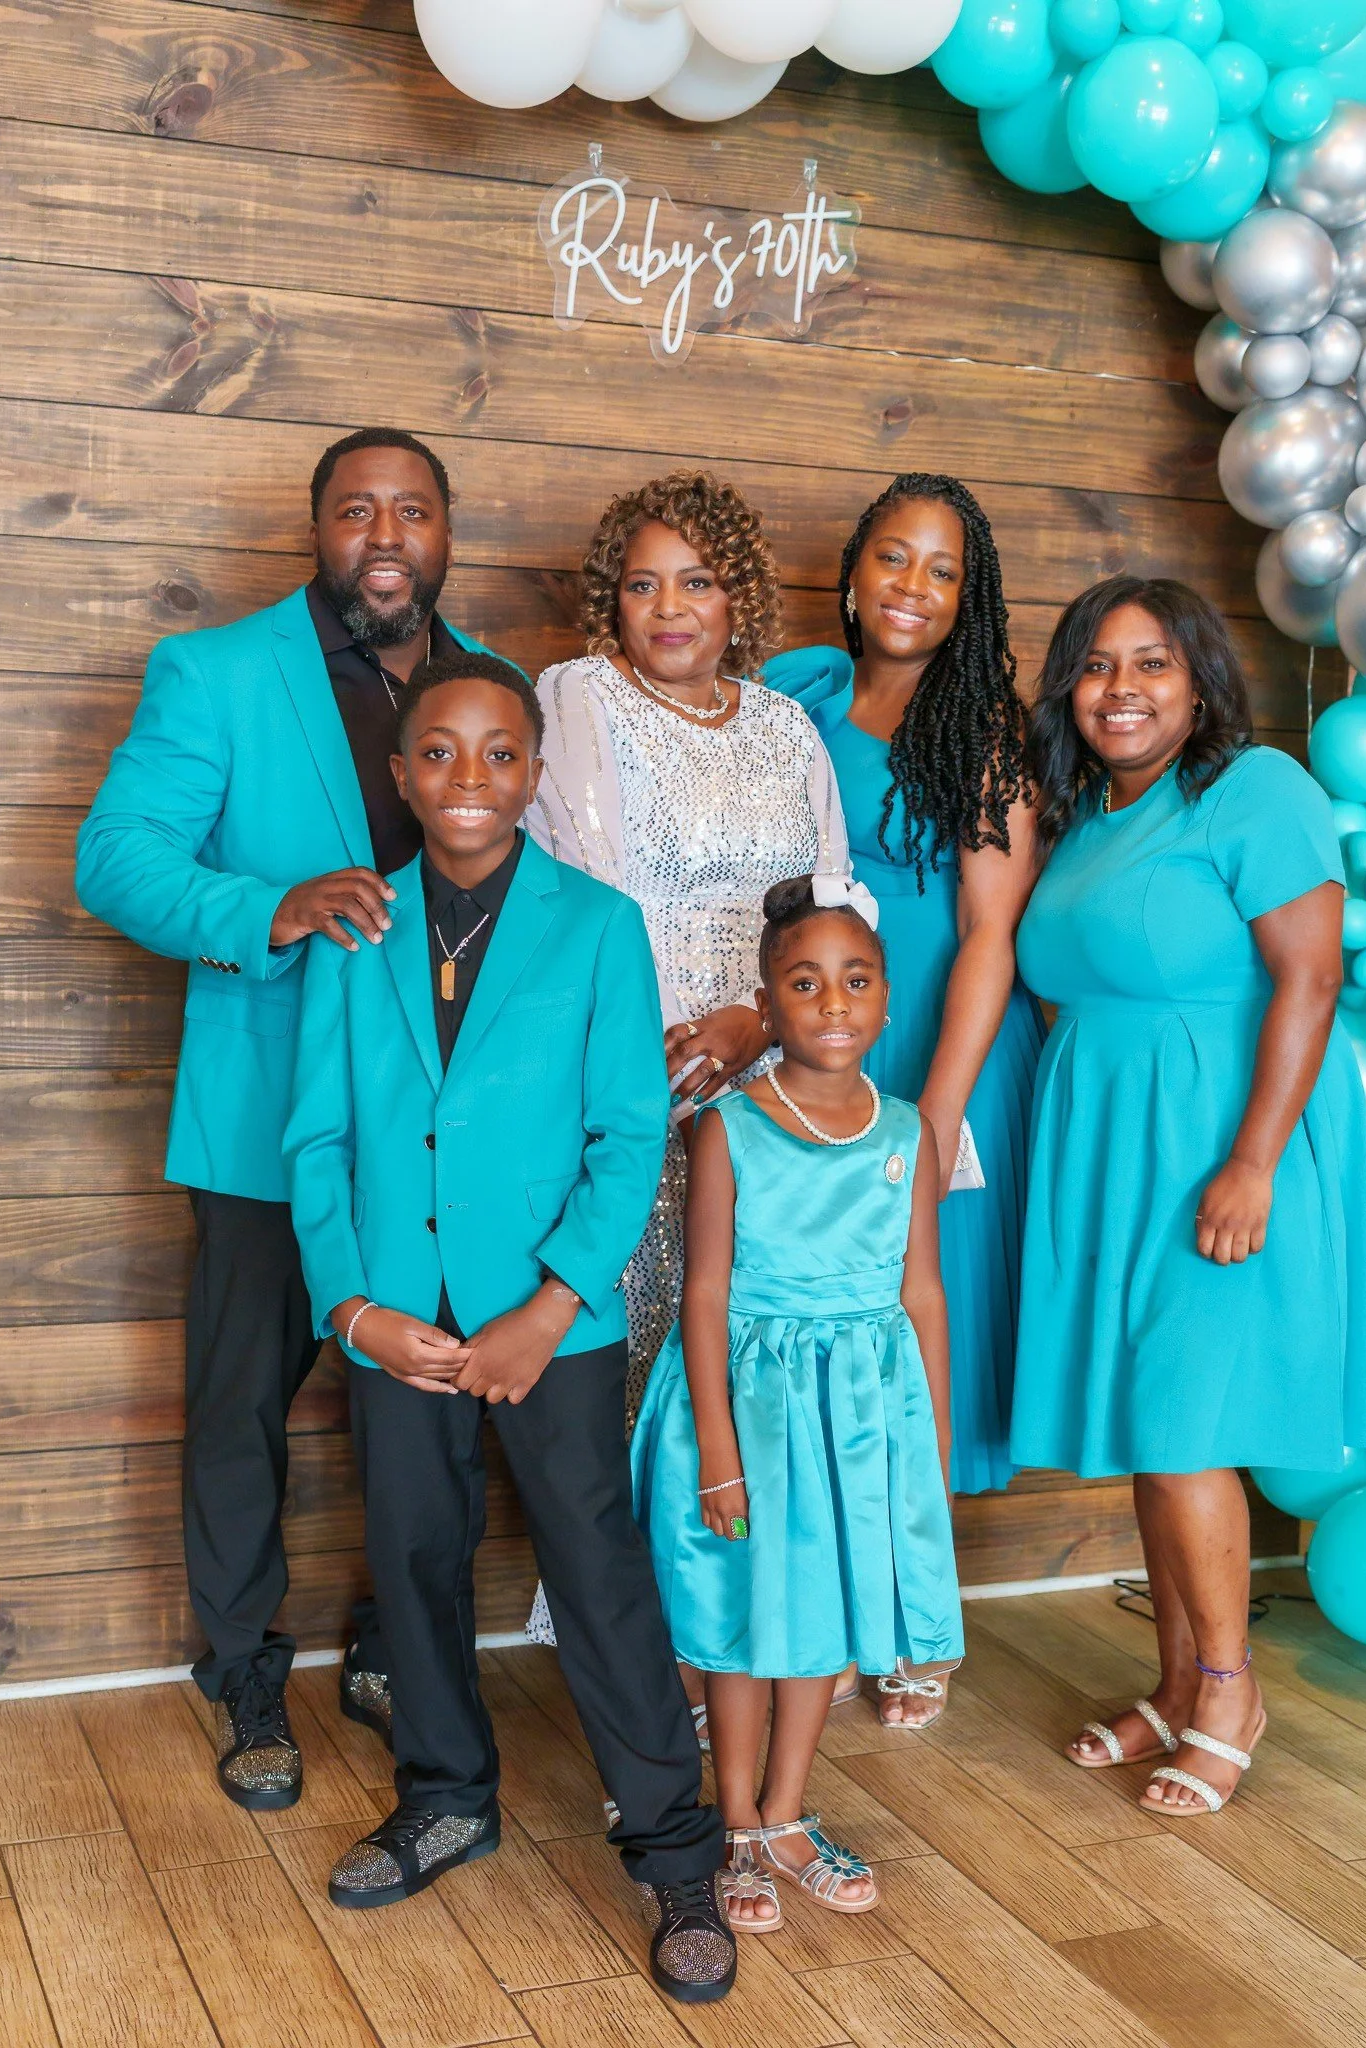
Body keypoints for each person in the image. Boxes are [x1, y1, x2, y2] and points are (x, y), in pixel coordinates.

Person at [284, 648, 733, 2001]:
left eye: (498, 753)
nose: (467, 777)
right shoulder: (358, 933)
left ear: (536, 776)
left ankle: (671, 1852)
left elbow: (626, 1130)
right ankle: (445, 1794)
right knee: (415, 1557)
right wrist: (355, 1312)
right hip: (397, 1324)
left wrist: (551, 1309)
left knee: (597, 1573)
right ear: (400, 772)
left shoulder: (594, 926)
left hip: (550, 1320)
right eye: (438, 752)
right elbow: (315, 1140)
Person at [75, 427, 498, 1807]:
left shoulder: (486, 684)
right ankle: (245, 1678)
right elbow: (116, 859)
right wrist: (267, 907)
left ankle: (391, 1653)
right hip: (264, 1115)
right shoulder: (217, 672)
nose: (386, 533)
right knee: (243, 1406)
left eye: (412, 509)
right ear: (317, 530)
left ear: (445, 533)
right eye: (356, 509)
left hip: (439, 1125)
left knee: (420, 1400)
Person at [1011, 575, 1366, 1816]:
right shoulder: (1087, 817)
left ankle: (1231, 1689)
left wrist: (1251, 1161)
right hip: (1114, 1146)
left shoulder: (1257, 788)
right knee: (1146, 1428)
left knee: (1180, 1429)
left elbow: (1311, 979)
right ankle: (1175, 1681)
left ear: (1201, 680)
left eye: (1153, 663)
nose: (1122, 689)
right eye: (1098, 665)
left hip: (1222, 1144)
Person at [524, 470, 848, 1657]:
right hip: (627, 1078)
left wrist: (754, 1021)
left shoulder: (784, 725)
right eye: (641, 583)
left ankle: (754, 1629)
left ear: (739, 595)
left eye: (698, 581)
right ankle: (640, 1660)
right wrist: (646, 1048)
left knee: (754, 1352)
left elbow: (827, 906)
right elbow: (559, 894)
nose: (669, 607)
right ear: (610, 600)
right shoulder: (576, 698)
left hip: (767, 1079)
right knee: (642, 1363)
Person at [632, 875, 963, 1934]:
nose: (832, 1002)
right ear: (767, 1006)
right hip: (754, 1403)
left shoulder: (910, 1129)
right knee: (743, 1614)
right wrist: (719, 1447)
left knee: (827, 1610)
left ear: (887, 997)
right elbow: (707, 1289)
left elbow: (921, 1289)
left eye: (854, 979)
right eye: (804, 983)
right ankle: (733, 1822)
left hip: (862, 1405)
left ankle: (785, 1812)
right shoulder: (728, 1127)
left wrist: (932, 1443)